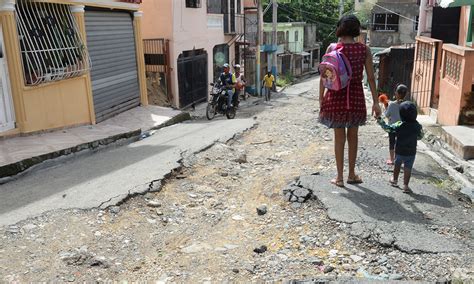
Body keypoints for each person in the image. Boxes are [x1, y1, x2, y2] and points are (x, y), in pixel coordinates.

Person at [319, 15, 382, 187]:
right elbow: (370, 78)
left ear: (340, 28)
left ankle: (339, 177)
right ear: (357, 30)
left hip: (335, 97)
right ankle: (352, 174)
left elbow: (324, 78)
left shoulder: (332, 47)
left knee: (339, 138)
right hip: (355, 96)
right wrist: (376, 103)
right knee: (353, 136)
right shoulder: (364, 50)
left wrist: (321, 101)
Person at [376, 101, 423, 194]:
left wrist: (379, 120)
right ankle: (405, 186)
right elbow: (420, 136)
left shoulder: (399, 124)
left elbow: (388, 128)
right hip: (411, 151)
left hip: (399, 150)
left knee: (397, 164)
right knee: (408, 168)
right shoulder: (417, 126)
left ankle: (394, 180)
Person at [384, 84, 408, 165]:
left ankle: (392, 160)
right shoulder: (406, 105)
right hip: (402, 127)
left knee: (392, 143)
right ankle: (399, 159)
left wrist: (386, 108)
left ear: (397, 93)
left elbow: (387, 115)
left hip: (392, 127)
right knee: (400, 143)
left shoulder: (392, 104)